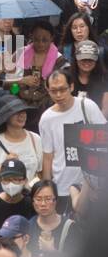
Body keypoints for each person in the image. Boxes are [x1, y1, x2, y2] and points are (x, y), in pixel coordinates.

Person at [38, 65, 106, 211]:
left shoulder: (87, 106)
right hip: (62, 185)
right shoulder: (46, 119)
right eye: (53, 91)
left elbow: (103, 141)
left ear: (72, 86)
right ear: (48, 91)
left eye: (62, 89)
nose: (58, 95)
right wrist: (47, 189)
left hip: (92, 182)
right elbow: (48, 156)